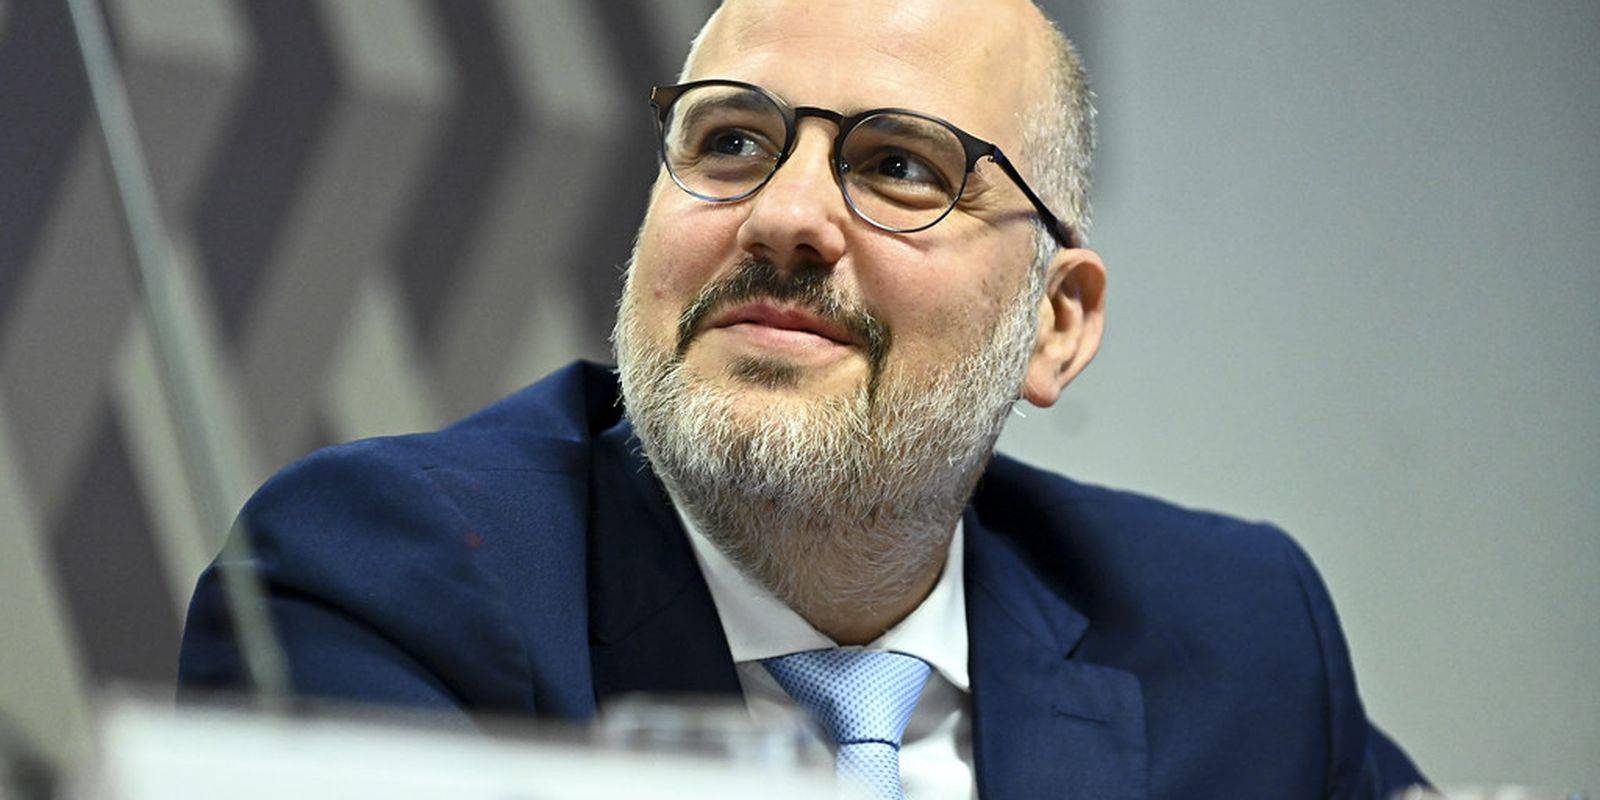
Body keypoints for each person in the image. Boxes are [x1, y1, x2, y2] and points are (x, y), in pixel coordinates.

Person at [180, 0, 1429, 796]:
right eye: (730, 141)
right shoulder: (385, 579)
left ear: (1054, 325)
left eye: (899, 166)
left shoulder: (1230, 634)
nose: (784, 215)